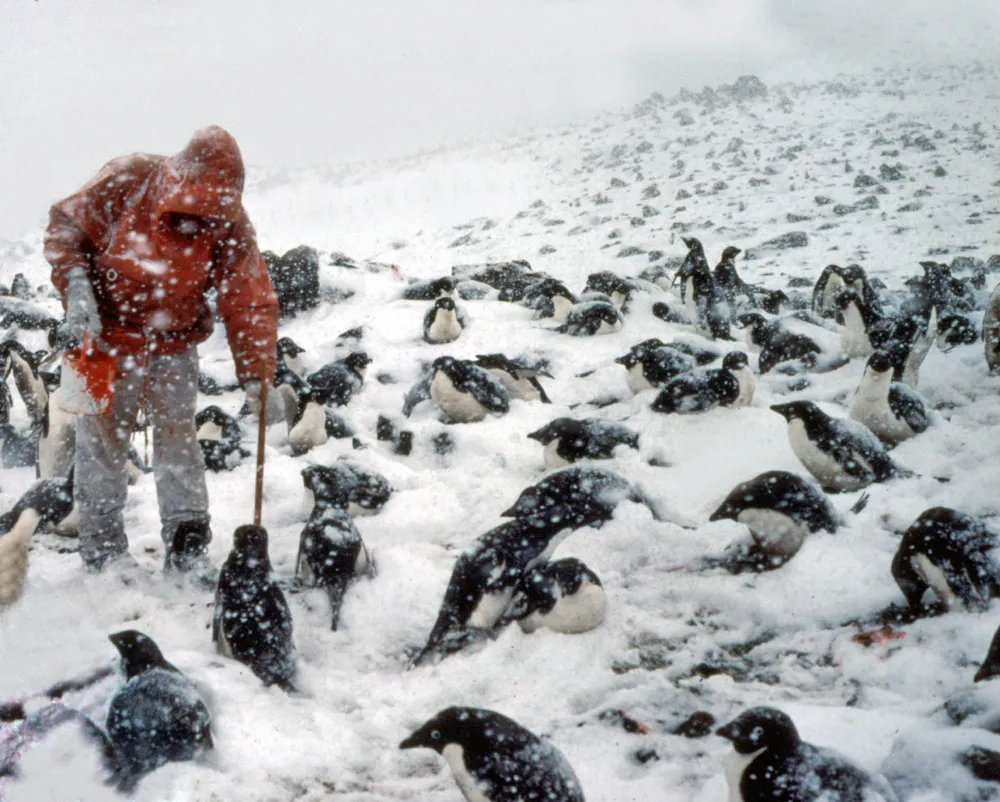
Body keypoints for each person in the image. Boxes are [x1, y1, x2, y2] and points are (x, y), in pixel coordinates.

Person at [43, 126, 282, 575]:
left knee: (179, 439)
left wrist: (257, 372)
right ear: (178, 180)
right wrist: (75, 286)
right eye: (193, 211)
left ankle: (188, 543)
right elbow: (65, 225)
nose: (200, 224)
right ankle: (102, 551)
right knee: (96, 444)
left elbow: (247, 296)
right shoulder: (127, 177)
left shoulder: (230, 218)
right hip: (96, 337)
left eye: (211, 215)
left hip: (175, 339)